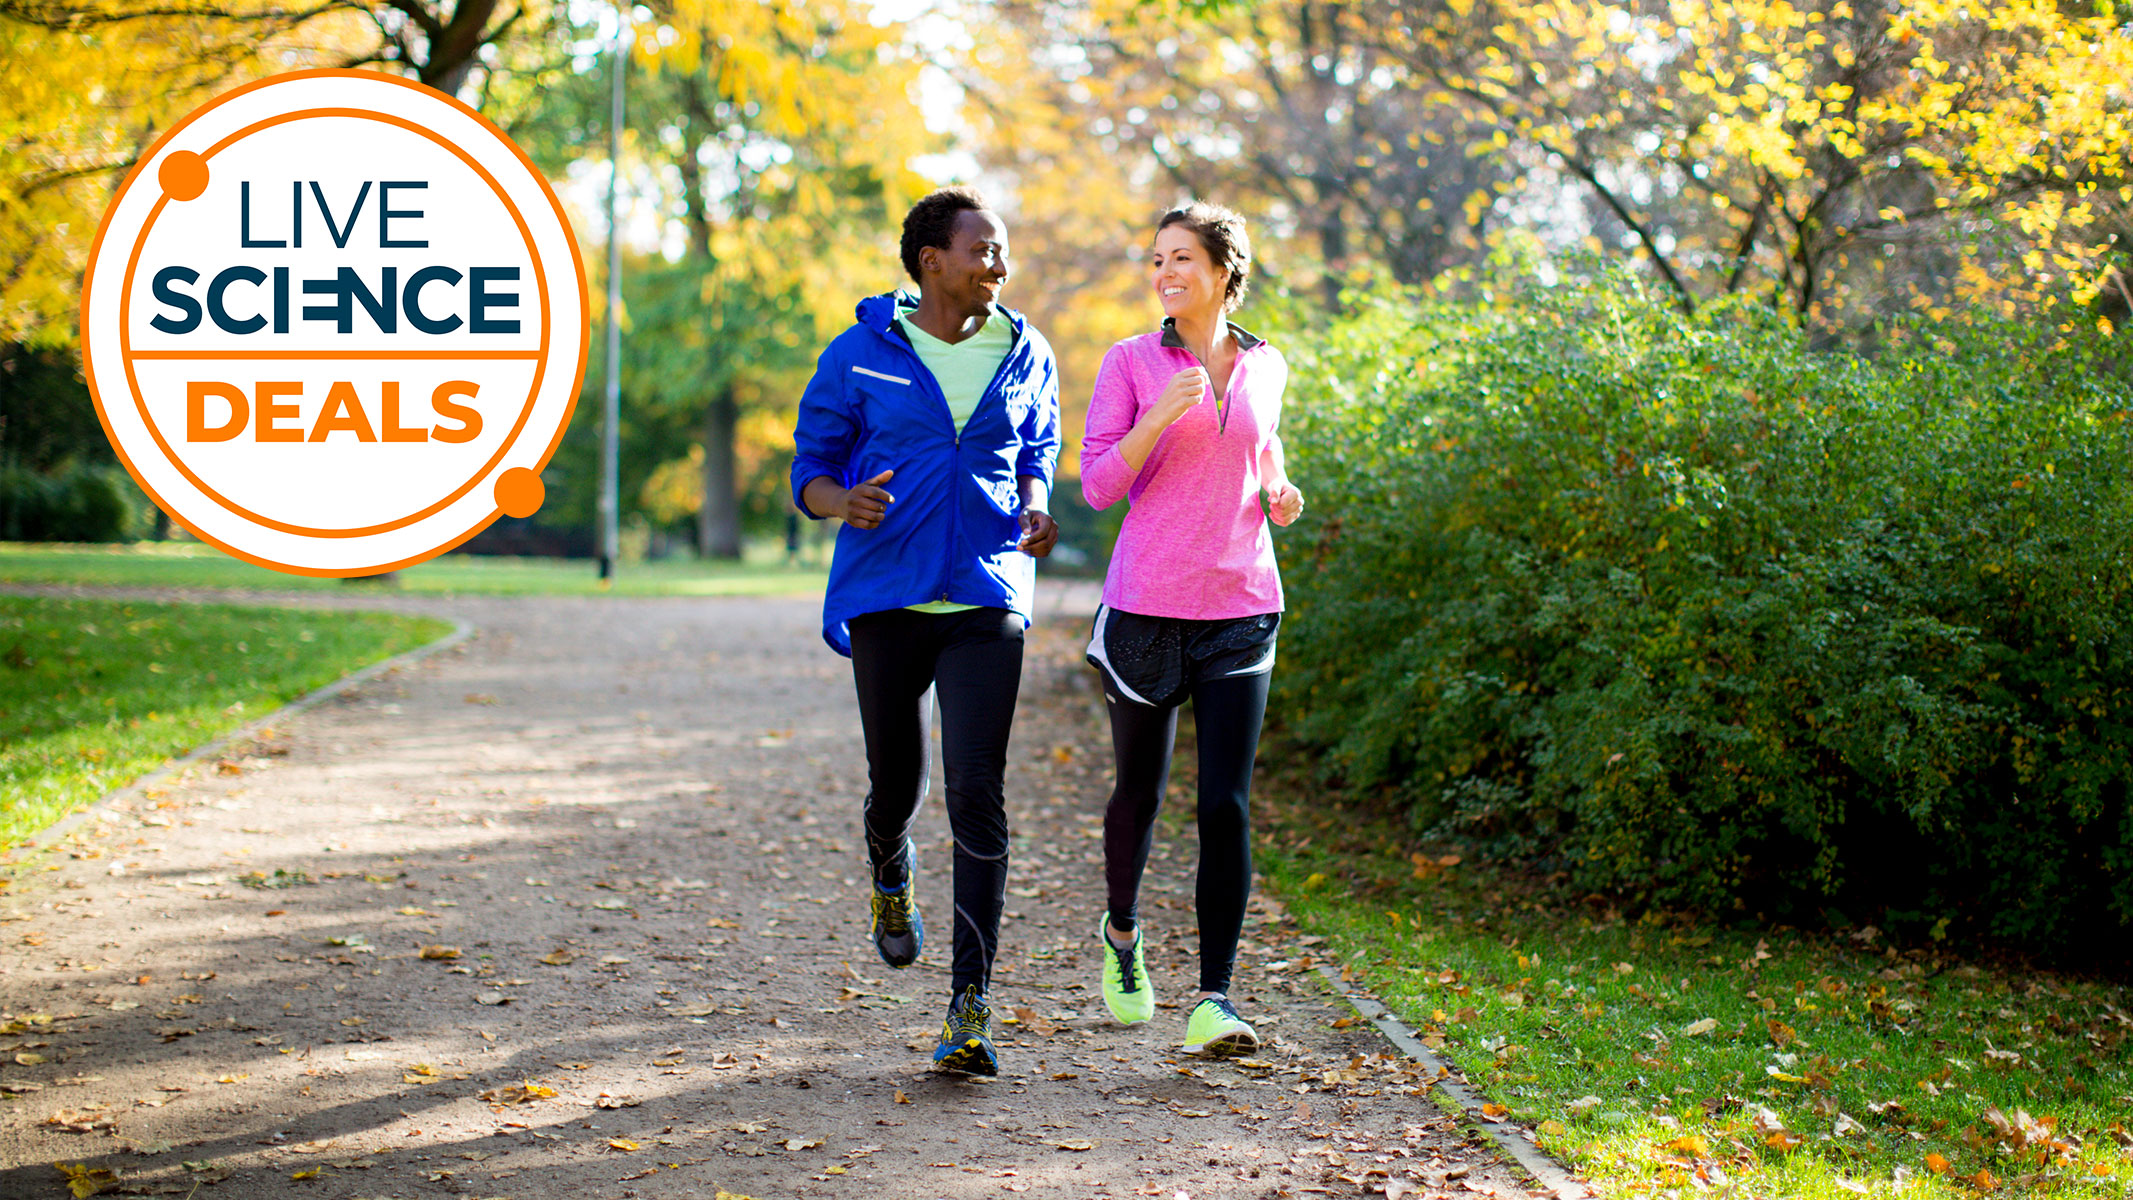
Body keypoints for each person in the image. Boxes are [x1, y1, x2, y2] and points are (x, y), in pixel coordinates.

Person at [789, 186, 1061, 1076]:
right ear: (930, 260)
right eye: (982, 249)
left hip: (985, 593)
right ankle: (888, 869)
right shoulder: (859, 353)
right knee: (895, 783)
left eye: (1002, 250)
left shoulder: (1024, 350)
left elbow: (1037, 453)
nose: (998, 263)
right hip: (888, 594)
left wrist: (1035, 505)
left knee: (976, 790)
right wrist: (842, 502)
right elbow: (812, 468)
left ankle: (970, 1005)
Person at [1079, 203, 1304, 1056]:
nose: (1165, 272)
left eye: (1182, 258)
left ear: (1221, 270)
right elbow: (1100, 485)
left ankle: (1215, 997)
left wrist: (1280, 491)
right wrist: (1155, 418)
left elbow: (1264, 451)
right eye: (1156, 259)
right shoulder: (1130, 361)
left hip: (1240, 604)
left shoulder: (1267, 363)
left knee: (1225, 803)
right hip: (1145, 606)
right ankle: (1124, 933)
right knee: (1138, 791)